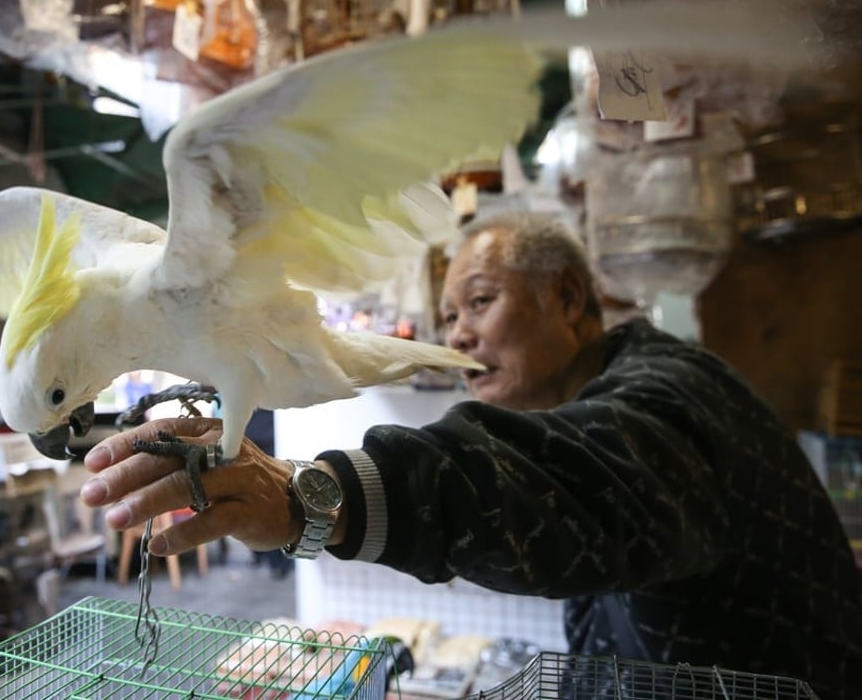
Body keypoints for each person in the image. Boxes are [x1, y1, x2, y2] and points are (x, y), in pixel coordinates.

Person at [79, 210, 862, 699]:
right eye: (450, 316)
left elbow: (557, 485)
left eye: (481, 302)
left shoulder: (674, 399)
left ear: (567, 298)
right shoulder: (628, 390)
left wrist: (302, 495)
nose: (458, 334)